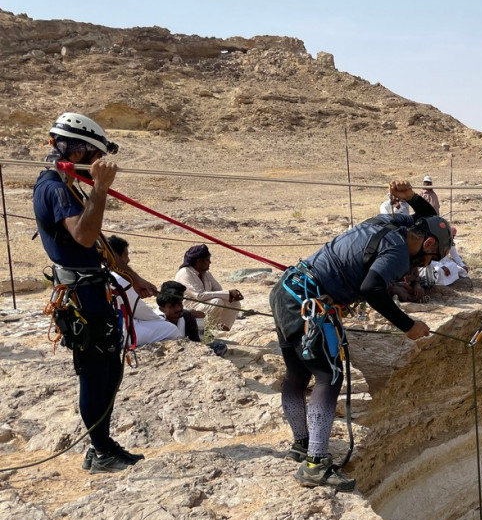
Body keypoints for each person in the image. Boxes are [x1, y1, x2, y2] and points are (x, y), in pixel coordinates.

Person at [270, 179, 452, 489]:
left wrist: (411, 197)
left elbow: (426, 218)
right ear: (428, 245)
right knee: (329, 376)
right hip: (309, 304)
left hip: (287, 291)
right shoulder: (397, 252)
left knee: (297, 374)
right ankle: (314, 464)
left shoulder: (390, 223)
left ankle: (302, 444)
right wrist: (408, 326)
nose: (422, 266)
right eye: (429, 259)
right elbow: (372, 289)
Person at [32, 112, 158, 473]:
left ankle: (101, 444)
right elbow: (85, 236)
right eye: (94, 155)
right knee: (95, 372)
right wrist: (100, 188)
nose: (97, 163)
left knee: (109, 369)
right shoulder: (54, 189)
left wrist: (132, 276)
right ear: (76, 151)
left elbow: (98, 244)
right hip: (82, 298)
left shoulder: (66, 184)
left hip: (92, 291)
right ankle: (101, 450)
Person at [107, 236, 184, 346]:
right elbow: (140, 311)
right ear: (117, 256)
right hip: (119, 332)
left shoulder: (100, 273)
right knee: (170, 329)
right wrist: (160, 319)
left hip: (104, 328)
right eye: (126, 255)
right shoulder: (118, 278)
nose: (128, 260)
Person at [174, 244, 244, 331]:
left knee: (234, 304)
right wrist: (228, 294)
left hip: (203, 304)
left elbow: (218, 290)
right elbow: (199, 295)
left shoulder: (206, 273)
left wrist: (231, 296)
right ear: (199, 261)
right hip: (189, 308)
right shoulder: (185, 273)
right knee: (217, 302)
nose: (210, 262)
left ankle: (220, 330)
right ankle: (205, 329)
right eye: (207, 259)